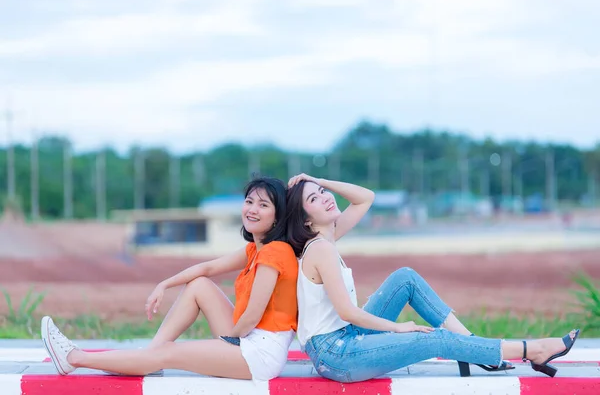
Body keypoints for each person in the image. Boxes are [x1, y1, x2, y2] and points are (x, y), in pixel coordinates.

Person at [285, 173, 579, 383]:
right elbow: (347, 312)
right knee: (434, 339)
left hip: (345, 338)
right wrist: (397, 328)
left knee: (405, 278)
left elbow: (365, 198)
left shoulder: (328, 236)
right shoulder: (320, 248)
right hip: (336, 354)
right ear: (305, 220)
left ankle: (472, 345)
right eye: (314, 198)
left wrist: (317, 180)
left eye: (323, 192)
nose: (325, 197)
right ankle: (531, 350)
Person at [41, 176, 298, 381]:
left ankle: (74, 358)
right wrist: (165, 284)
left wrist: (226, 343)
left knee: (170, 353)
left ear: (277, 216)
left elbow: (253, 315)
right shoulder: (257, 248)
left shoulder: (275, 251)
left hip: (260, 353)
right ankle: (149, 359)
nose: (252, 209)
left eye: (263, 205)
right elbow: (207, 268)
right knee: (199, 285)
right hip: (247, 338)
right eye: (249, 201)